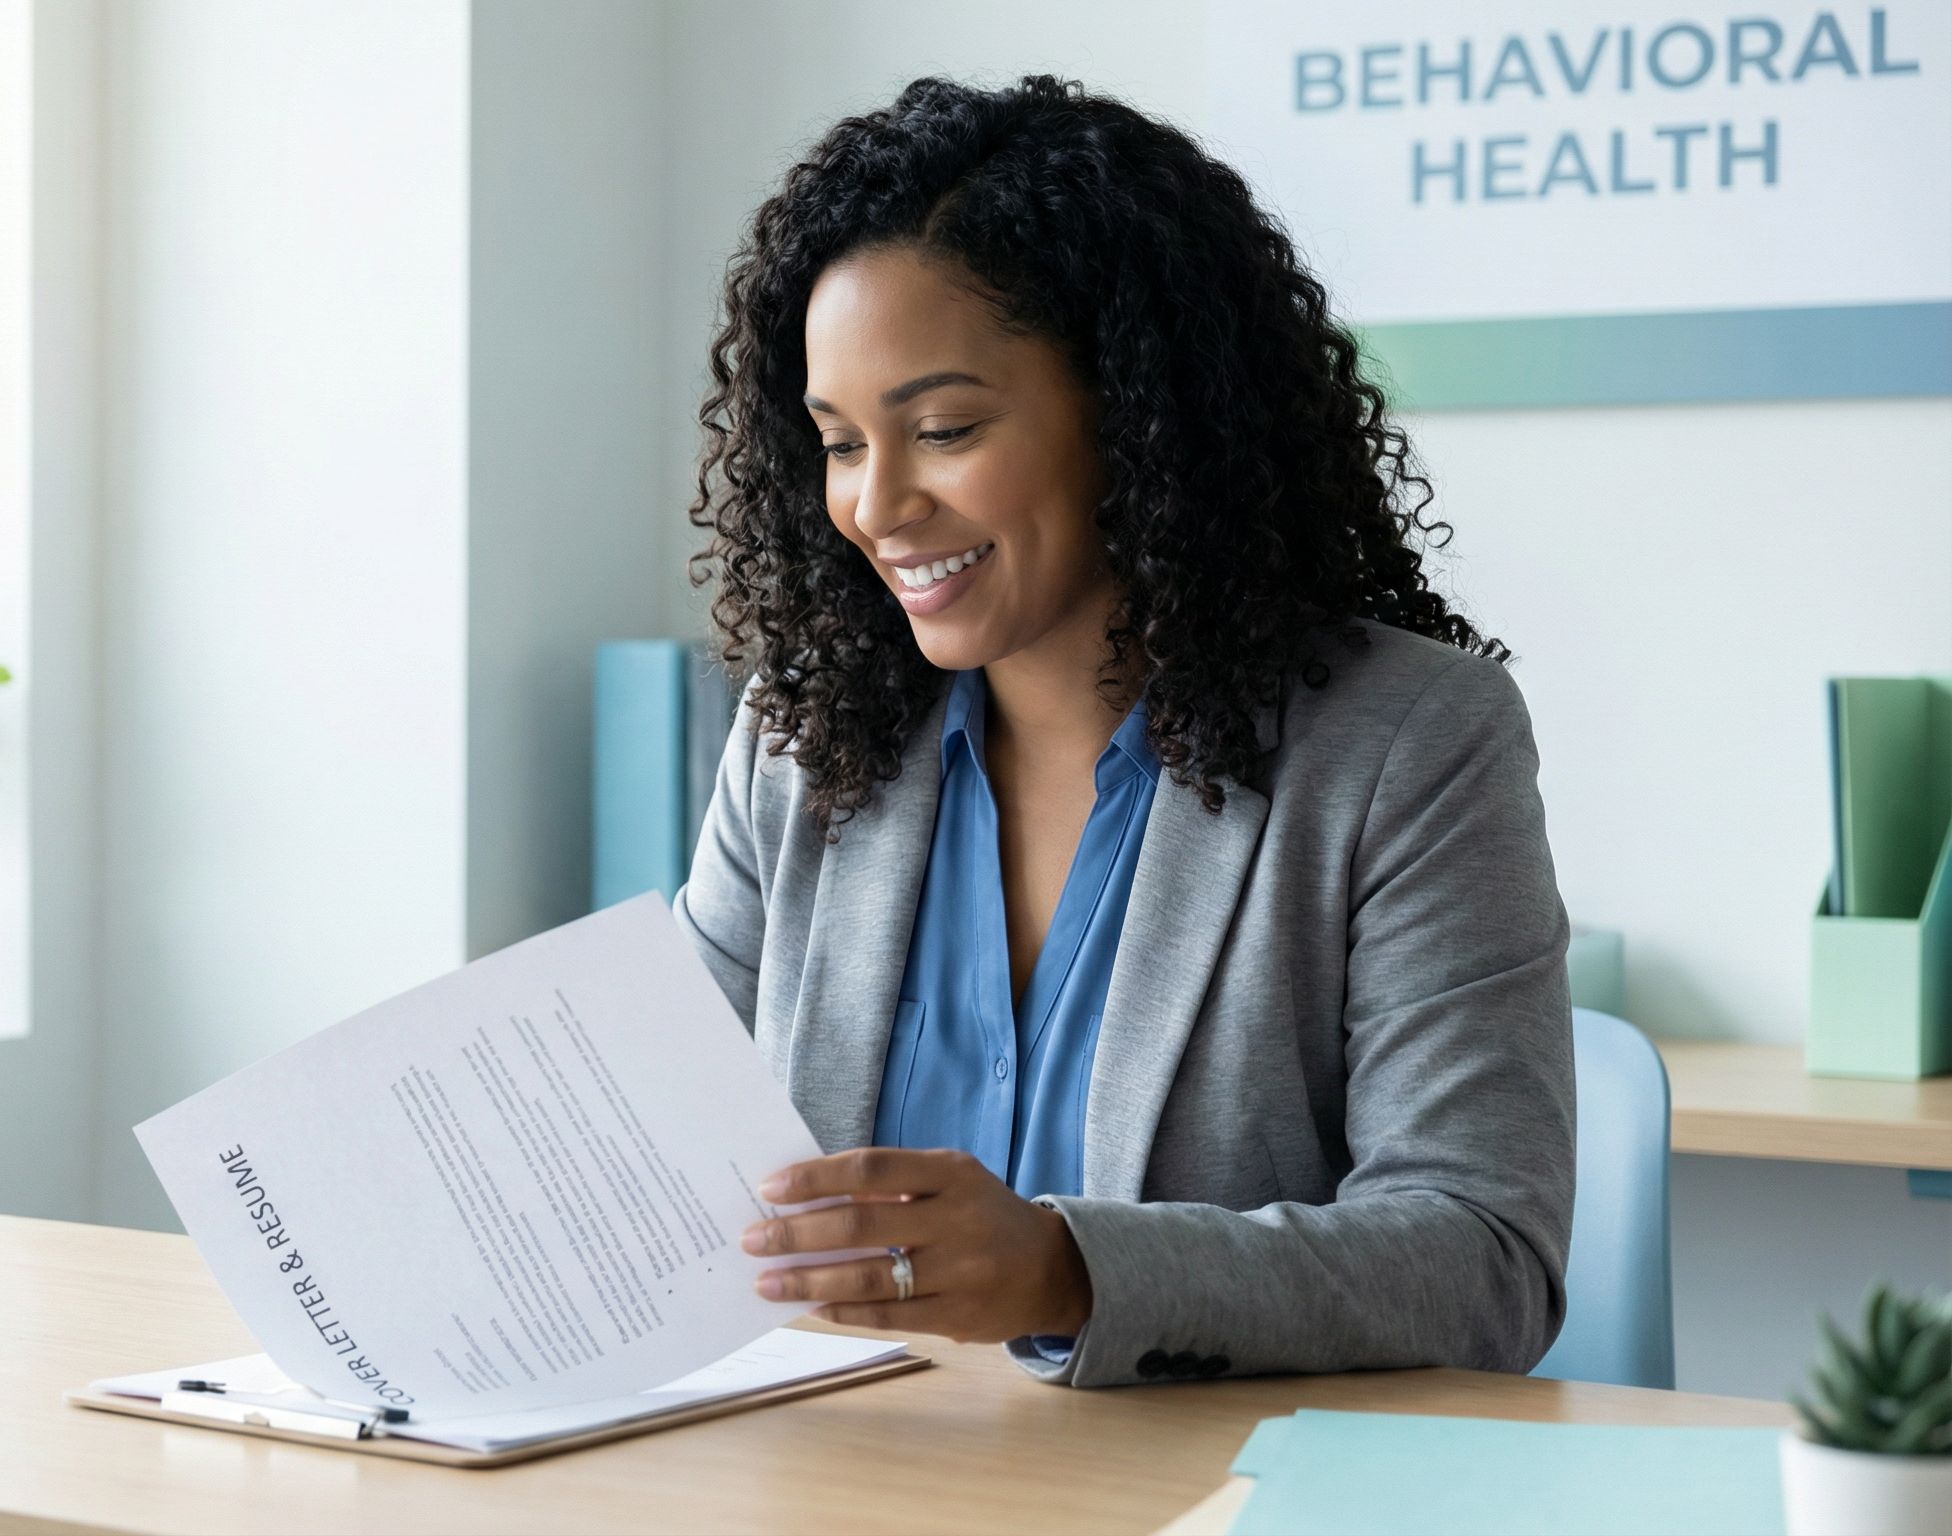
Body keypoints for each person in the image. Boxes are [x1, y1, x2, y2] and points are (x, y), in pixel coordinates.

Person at [672, 74, 1575, 1389]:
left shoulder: (1407, 746)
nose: (877, 503)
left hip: (1204, 1485)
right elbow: (659, 1150)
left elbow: (1482, 1258)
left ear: (1139, 411)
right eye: (840, 443)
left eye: (943, 430)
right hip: (849, 1467)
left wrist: (1069, 1270)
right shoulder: (800, 737)